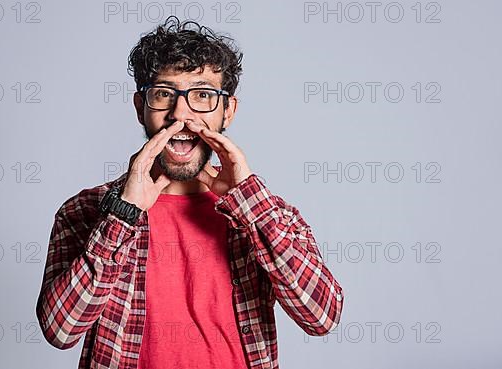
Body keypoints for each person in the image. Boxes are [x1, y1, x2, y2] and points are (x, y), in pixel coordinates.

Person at [35, 16, 344, 369]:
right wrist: (123, 214)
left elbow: (321, 317)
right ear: (141, 107)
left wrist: (251, 205)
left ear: (228, 110)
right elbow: (61, 330)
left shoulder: (269, 215)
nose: (181, 114)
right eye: (164, 94)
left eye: (202, 95)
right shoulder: (86, 210)